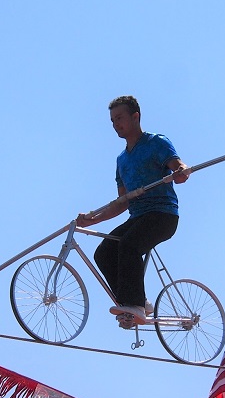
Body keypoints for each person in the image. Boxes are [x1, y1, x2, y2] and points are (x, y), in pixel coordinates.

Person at [76, 96, 189, 328]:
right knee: (105, 251)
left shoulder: (156, 143)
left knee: (128, 244)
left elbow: (180, 168)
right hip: (138, 216)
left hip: (162, 214)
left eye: (120, 118)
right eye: (112, 121)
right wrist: (93, 219)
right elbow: (122, 202)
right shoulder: (122, 160)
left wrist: (181, 172)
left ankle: (134, 305)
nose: (116, 124)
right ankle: (134, 304)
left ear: (135, 117)